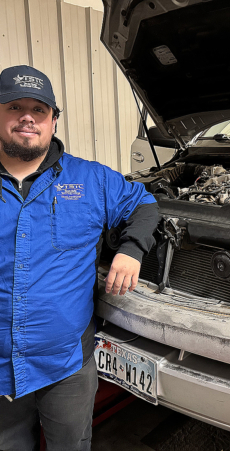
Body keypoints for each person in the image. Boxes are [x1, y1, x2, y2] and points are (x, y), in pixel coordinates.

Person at [0, 65, 159, 450]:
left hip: (66, 364)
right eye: (14, 107)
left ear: (53, 120)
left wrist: (131, 250)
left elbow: (145, 205)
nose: (27, 118)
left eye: (39, 110)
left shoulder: (91, 179)